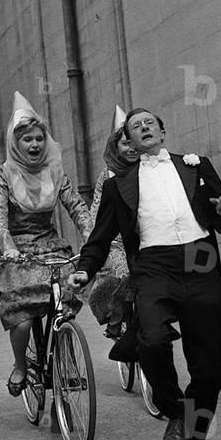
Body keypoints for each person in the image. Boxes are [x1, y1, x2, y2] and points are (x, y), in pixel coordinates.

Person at [69, 107, 221, 440]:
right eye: (135, 126)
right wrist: (85, 270)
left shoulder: (197, 166)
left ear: (162, 132)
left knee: (211, 367)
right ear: (129, 142)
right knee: (152, 340)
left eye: (150, 122)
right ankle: (175, 409)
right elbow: (99, 239)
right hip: (154, 265)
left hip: (200, 261)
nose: (144, 127)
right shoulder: (120, 185)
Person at [0, 92, 92, 396]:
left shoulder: (55, 170)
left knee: (65, 307)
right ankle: (20, 365)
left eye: (39, 139)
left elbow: (76, 206)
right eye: (27, 140)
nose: (34, 145)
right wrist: (8, 247)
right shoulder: (4, 175)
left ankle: (68, 362)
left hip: (50, 245)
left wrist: (90, 236)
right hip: (18, 251)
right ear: (15, 144)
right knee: (21, 318)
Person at [85, 106, 140, 358]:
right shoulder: (107, 177)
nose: (130, 149)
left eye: (133, 143)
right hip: (116, 243)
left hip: (144, 239)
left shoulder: (148, 169)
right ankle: (117, 314)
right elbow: (98, 214)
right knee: (125, 273)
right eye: (124, 144)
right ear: (115, 146)